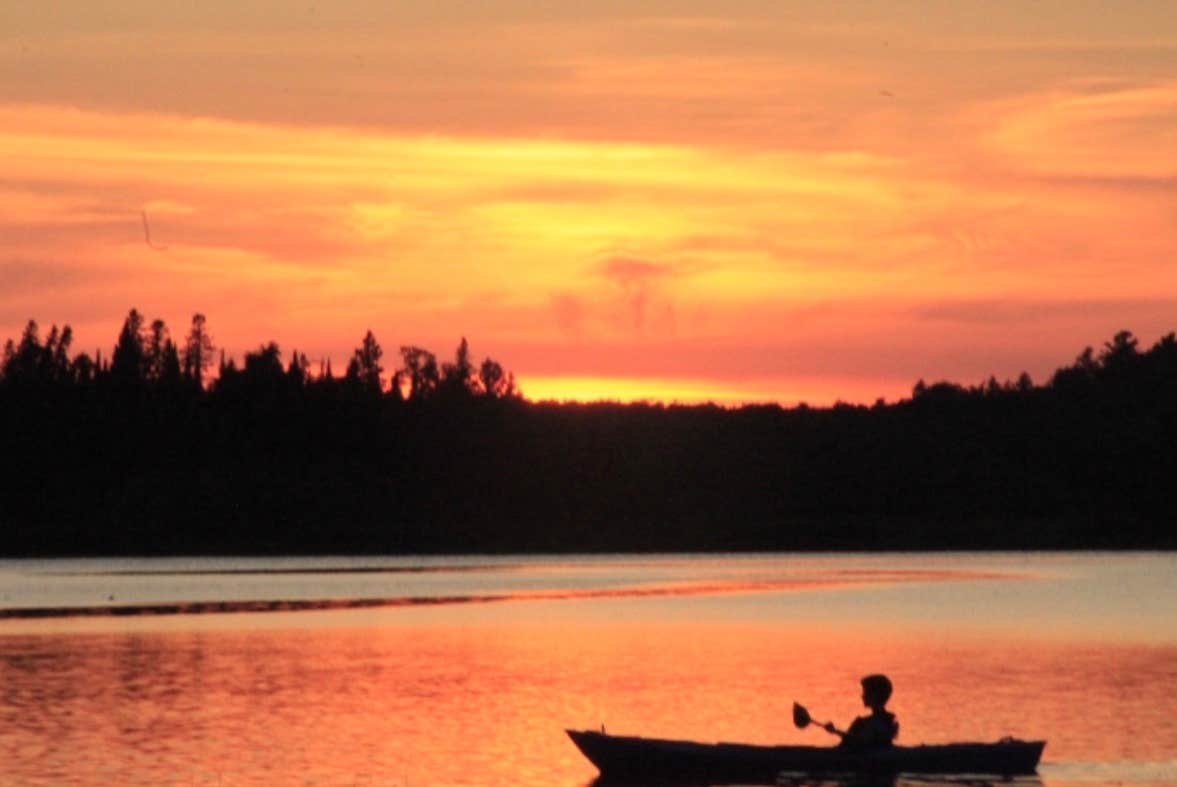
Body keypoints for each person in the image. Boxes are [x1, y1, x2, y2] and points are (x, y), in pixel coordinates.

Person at [823, 674, 899, 748]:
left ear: (874, 695)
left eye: (865, 692)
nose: (862, 696)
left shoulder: (869, 723)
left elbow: (860, 741)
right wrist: (835, 731)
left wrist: (835, 731)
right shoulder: (890, 720)